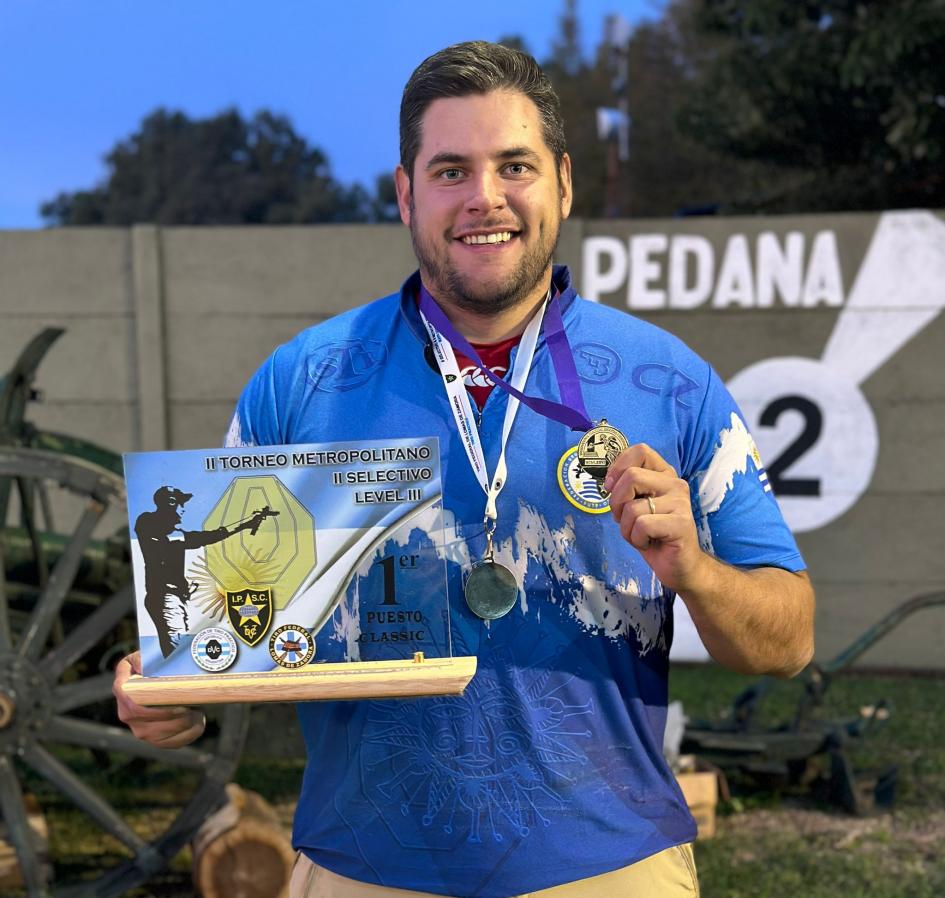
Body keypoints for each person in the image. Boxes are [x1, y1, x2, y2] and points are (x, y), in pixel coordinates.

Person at [115, 41, 814, 898]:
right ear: (405, 192)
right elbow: (222, 640)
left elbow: (790, 641)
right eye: (450, 170)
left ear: (561, 181)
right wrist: (170, 696)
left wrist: (696, 572)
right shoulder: (299, 381)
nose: (484, 197)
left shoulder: (668, 380)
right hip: (360, 871)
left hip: (611, 868)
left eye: (512, 165)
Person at [135, 486, 268, 657]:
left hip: (174, 597)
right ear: (170, 503)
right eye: (180, 504)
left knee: (178, 652)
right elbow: (197, 538)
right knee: (177, 654)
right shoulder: (148, 522)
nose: (183, 509)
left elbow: (207, 536)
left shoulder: (172, 532)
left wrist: (245, 524)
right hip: (166, 598)